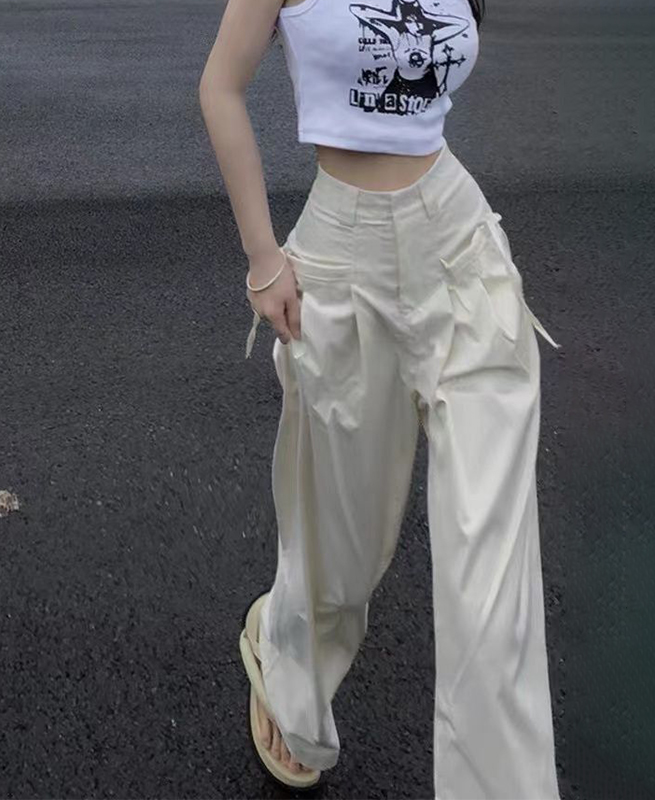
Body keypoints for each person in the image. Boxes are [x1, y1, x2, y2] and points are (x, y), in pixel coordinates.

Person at [199, 0, 562, 796]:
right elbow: (220, 87)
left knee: (492, 592)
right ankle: (285, 650)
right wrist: (263, 258)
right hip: (340, 262)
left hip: (462, 254)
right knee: (343, 557)